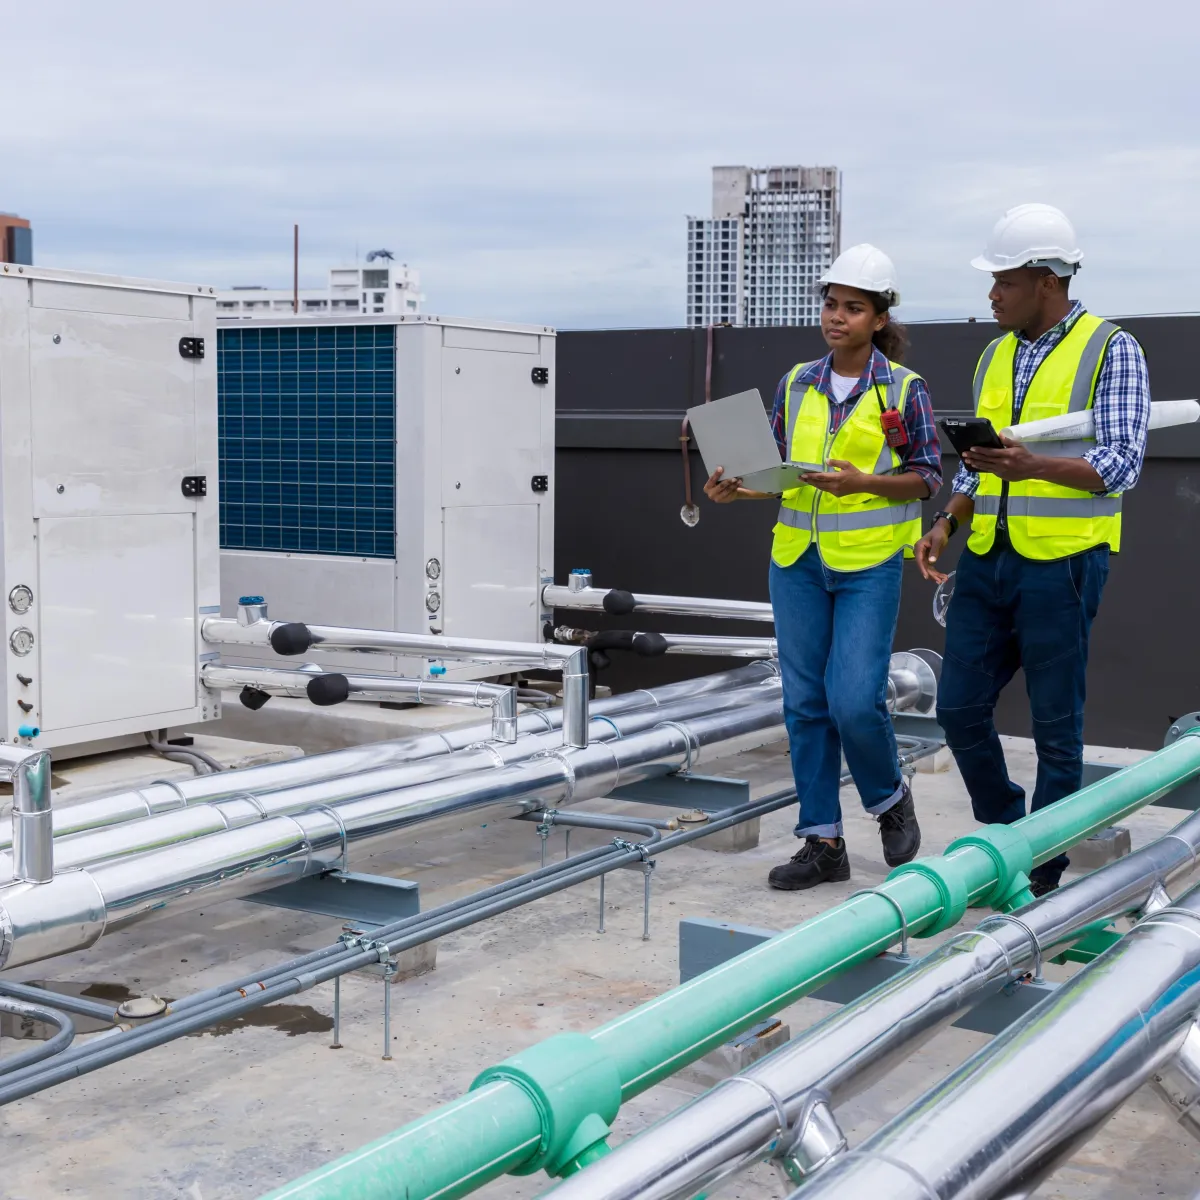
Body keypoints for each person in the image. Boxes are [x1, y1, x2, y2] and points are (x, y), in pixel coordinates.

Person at [914, 203, 1150, 897]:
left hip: (1063, 564)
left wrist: (1032, 467)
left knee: (1055, 729)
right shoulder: (994, 354)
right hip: (987, 558)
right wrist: (947, 521)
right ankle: (1012, 836)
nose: (992, 294)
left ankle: (1042, 877)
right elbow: (980, 464)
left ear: (1048, 280)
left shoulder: (1113, 349)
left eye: (1005, 281)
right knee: (958, 708)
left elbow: (1123, 463)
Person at [704, 244, 942, 889]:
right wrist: (736, 490)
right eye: (831, 304)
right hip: (796, 561)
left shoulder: (904, 389)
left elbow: (927, 478)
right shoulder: (797, 382)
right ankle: (822, 843)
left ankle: (889, 798)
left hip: (868, 564)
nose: (837, 316)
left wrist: (864, 482)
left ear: (879, 319)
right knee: (805, 703)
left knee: (855, 700)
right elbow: (779, 473)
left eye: (853, 308)